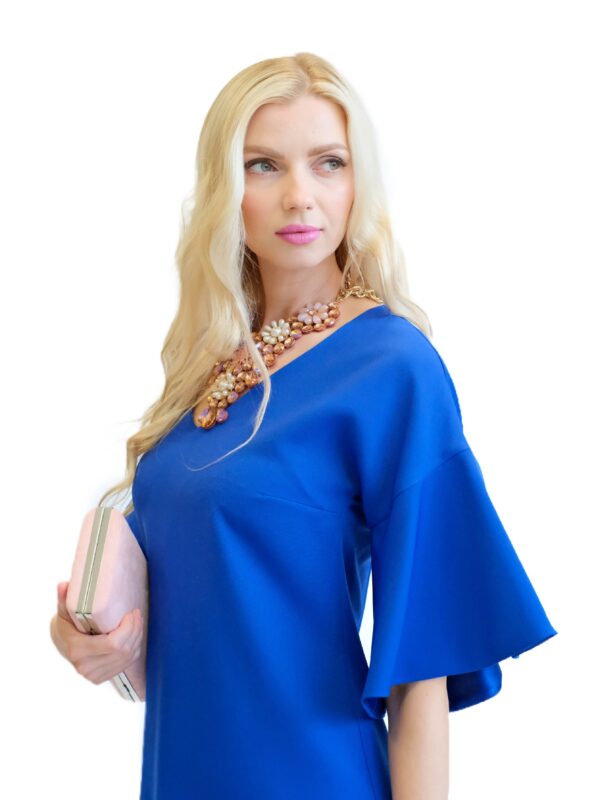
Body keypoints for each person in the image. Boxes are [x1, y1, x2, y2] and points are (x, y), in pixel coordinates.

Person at [49, 52, 558, 800]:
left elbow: (421, 658)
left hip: (311, 774)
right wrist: (82, 637)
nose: (299, 196)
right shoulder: (213, 366)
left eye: (329, 163)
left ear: (358, 185)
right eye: (263, 165)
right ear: (226, 189)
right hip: (183, 773)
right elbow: (193, 584)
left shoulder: (392, 368)